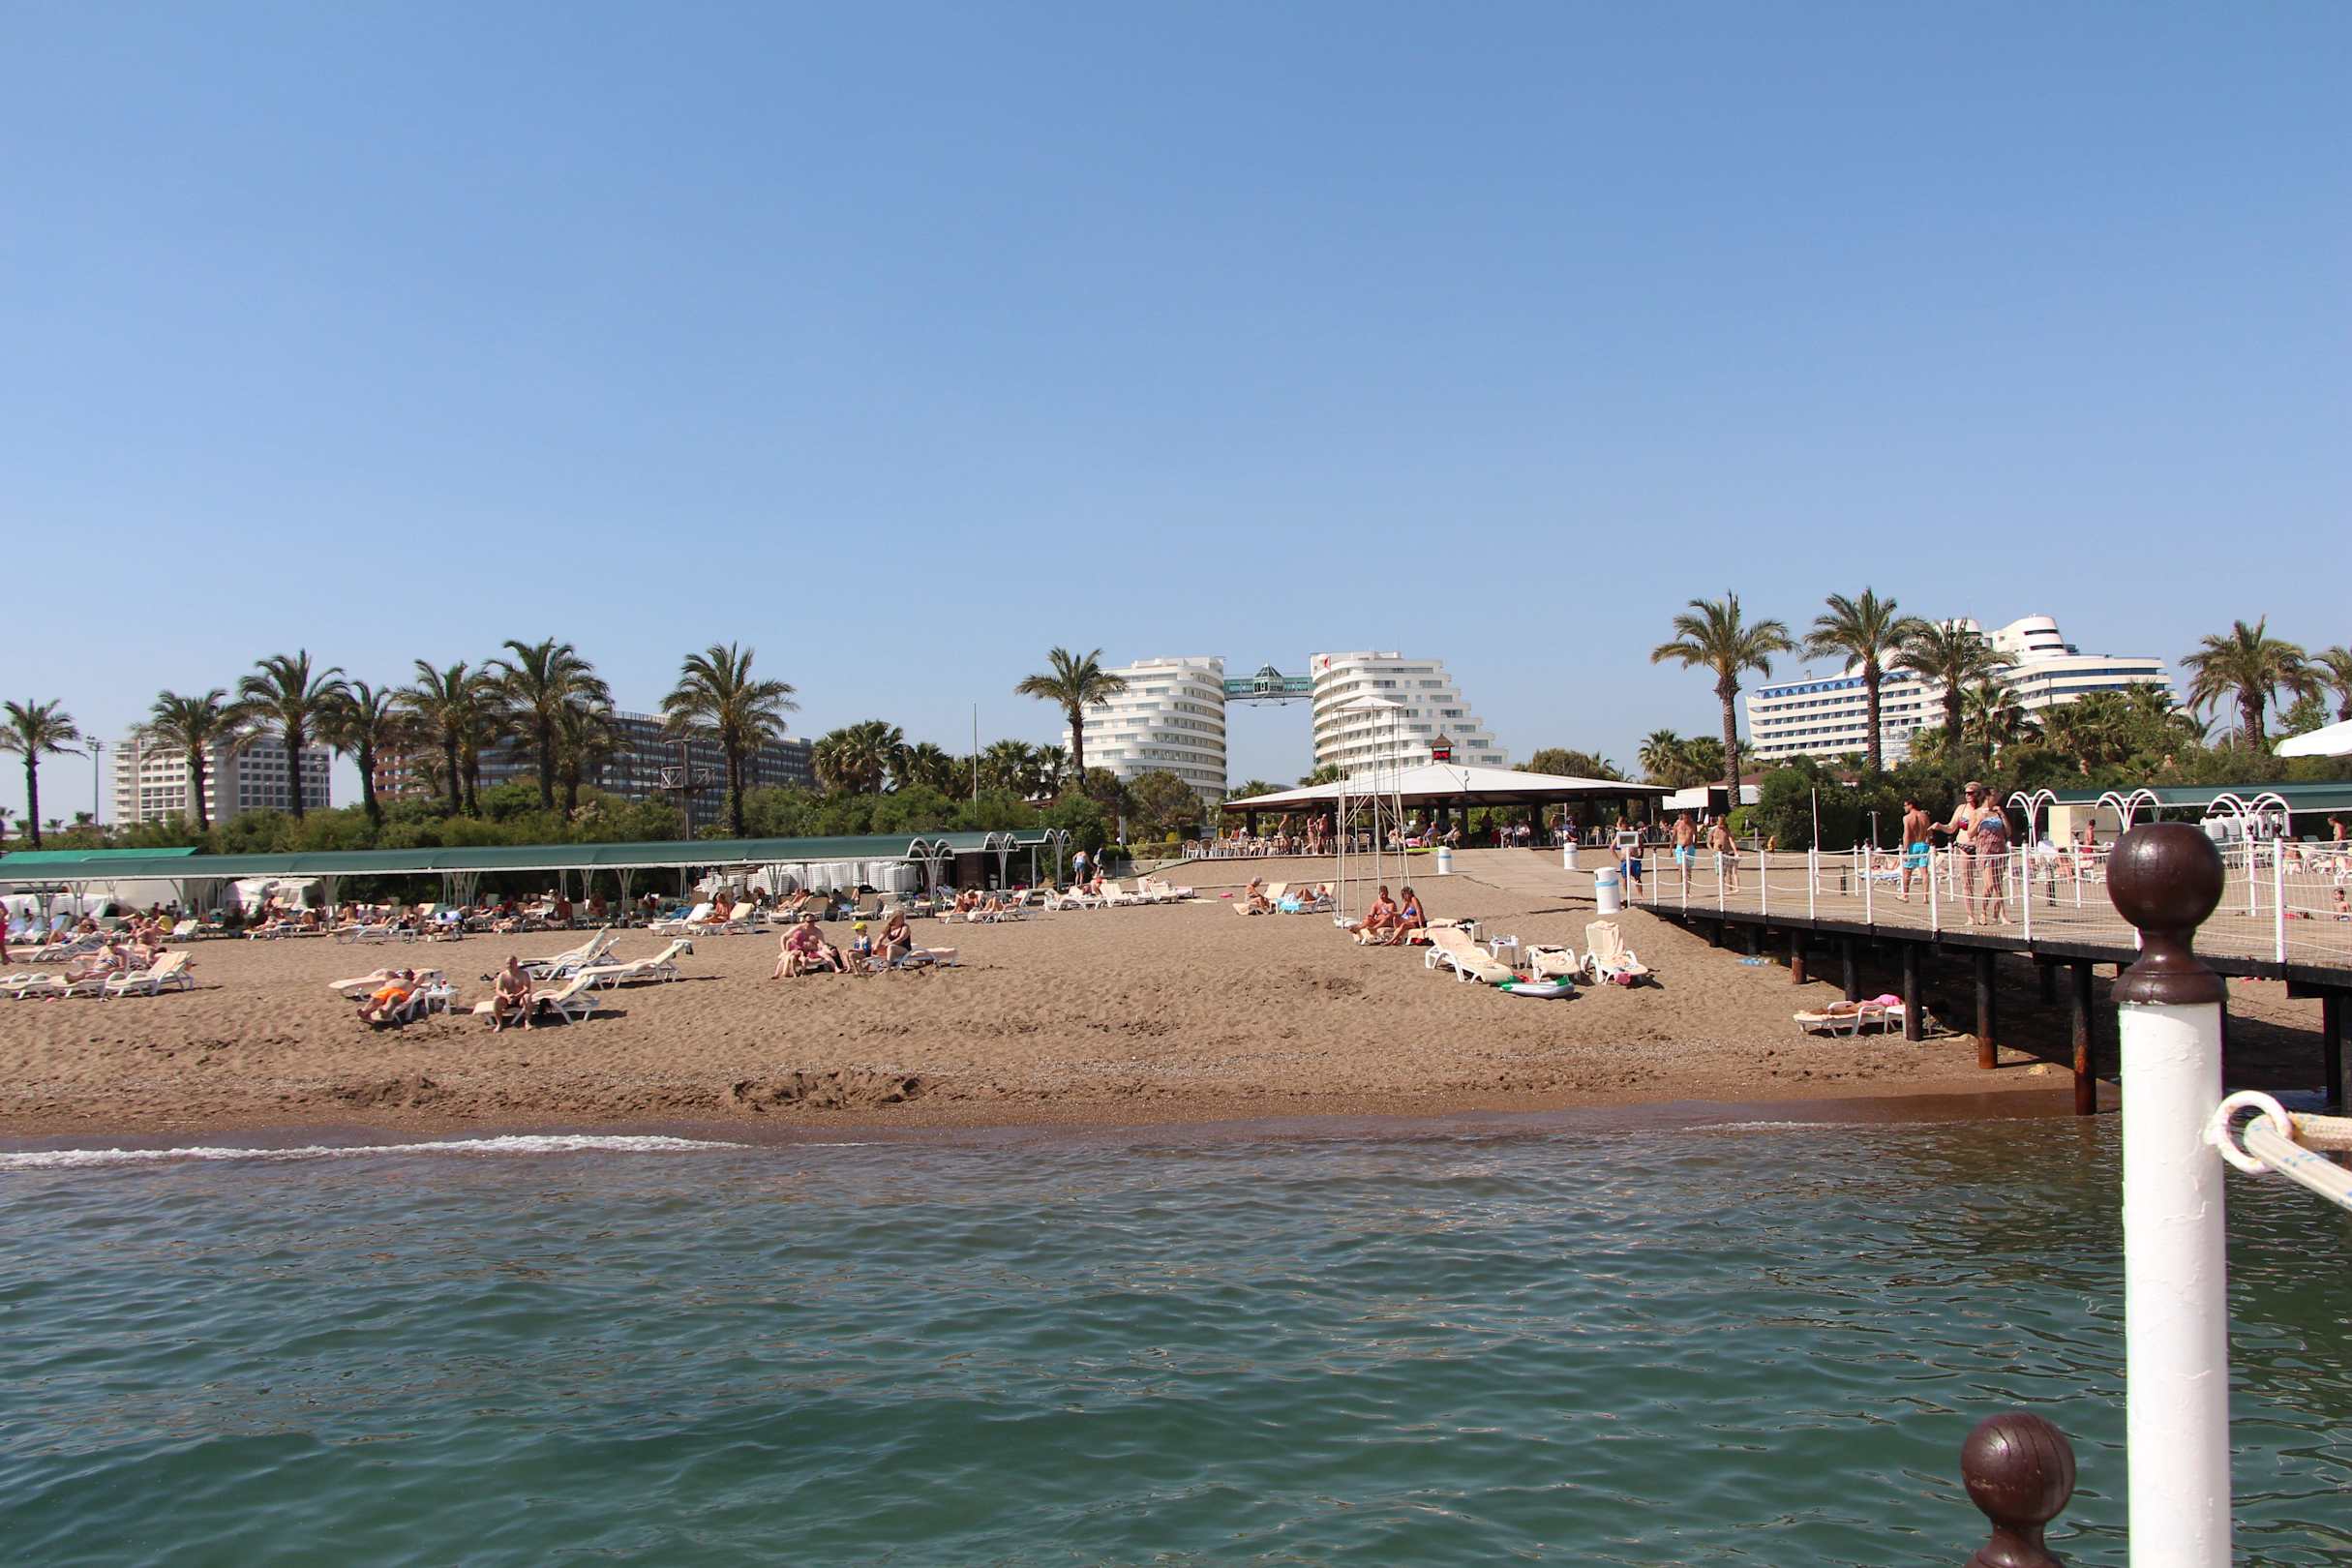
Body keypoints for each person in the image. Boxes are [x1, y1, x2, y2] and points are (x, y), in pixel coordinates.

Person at [1944, 782, 1996, 923]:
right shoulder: (1962, 809)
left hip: (1981, 848)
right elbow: (1951, 828)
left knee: (1990, 883)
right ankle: (1970, 916)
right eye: (1966, 793)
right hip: (1964, 846)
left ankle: (1984, 912)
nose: (1967, 795)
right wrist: (1939, 826)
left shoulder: (1984, 809)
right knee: (1967, 883)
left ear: (1978, 793)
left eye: (1971, 793)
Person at [1975, 801, 2013, 925]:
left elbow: (2008, 832)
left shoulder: (1998, 812)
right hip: (1985, 852)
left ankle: (2000, 915)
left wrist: (2002, 815)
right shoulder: (1977, 812)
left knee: (1998, 886)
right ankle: (1983, 912)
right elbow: (1970, 833)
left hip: (1999, 851)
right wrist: (1979, 820)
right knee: (1989, 885)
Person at [489, 956, 534, 1032]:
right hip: (507, 999)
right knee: (496, 999)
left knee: (528, 997)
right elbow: (498, 990)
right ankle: (499, 1024)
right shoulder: (502, 975)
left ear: (516, 963)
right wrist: (507, 996)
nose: (509, 965)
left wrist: (517, 996)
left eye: (511, 963)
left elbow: (527, 988)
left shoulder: (523, 974)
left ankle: (527, 1022)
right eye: (507, 963)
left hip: (520, 998)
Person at [1899, 797, 1931, 903]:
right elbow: (1929, 832)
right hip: (1923, 844)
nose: (1904, 807)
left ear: (1910, 805)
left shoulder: (1907, 818)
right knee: (1924, 871)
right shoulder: (1924, 816)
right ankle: (1925, 897)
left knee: (1907, 871)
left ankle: (1905, 895)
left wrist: (1905, 849)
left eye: (1905, 805)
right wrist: (1928, 843)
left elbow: (1907, 834)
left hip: (1912, 846)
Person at [1707, 819, 1739, 894]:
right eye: (1720, 823)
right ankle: (1722, 889)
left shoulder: (1727, 830)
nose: (1721, 825)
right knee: (1719, 872)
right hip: (1717, 853)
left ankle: (1730, 889)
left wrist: (1735, 851)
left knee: (1728, 871)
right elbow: (1708, 843)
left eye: (1722, 823)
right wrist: (1713, 851)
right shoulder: (1713, 830)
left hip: (1726, 852)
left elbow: (1731, 841)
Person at [1672, 813, 1698, 879]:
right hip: (1680, 847)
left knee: (1688, 870)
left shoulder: (1693, 825)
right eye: (1685, 818)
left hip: (1690, 847)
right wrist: (1670, 849)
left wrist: (1694, 845)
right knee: (1681, 868)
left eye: (1688, 818)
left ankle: (1688, 885)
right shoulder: (1677, 824)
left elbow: (1696, 835)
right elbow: (1673, 836)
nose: (1687, 820)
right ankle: (1681, 883)